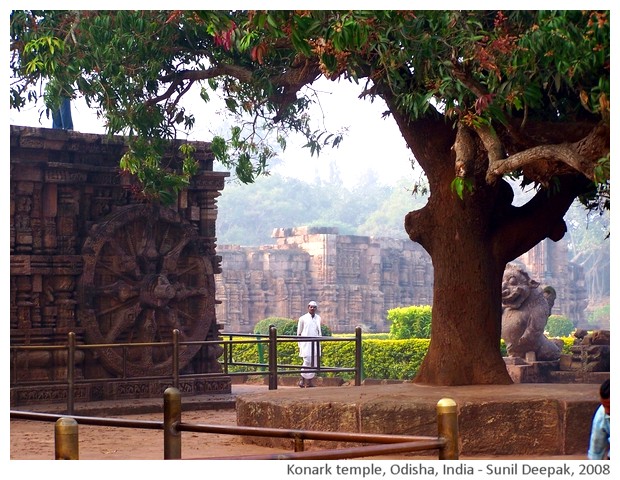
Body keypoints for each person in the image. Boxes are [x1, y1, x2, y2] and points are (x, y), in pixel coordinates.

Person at [297, 300, 322, 388]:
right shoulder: (302, 318)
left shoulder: (318, 318)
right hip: (306, 343)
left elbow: (318, 331)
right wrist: (300, 343)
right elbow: (299, 332)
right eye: (311, 307)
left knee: (314, 362)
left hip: (315, 343)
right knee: (307, 361)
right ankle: (302, 380)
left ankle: (310, 382)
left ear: (316, 308)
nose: (312, 309)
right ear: (308, 307)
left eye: (314, 307)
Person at [587, 378, 610, 460]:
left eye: (610, 407)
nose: (607, 411)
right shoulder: (601, 415)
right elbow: (596, 450)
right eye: (604, 406)